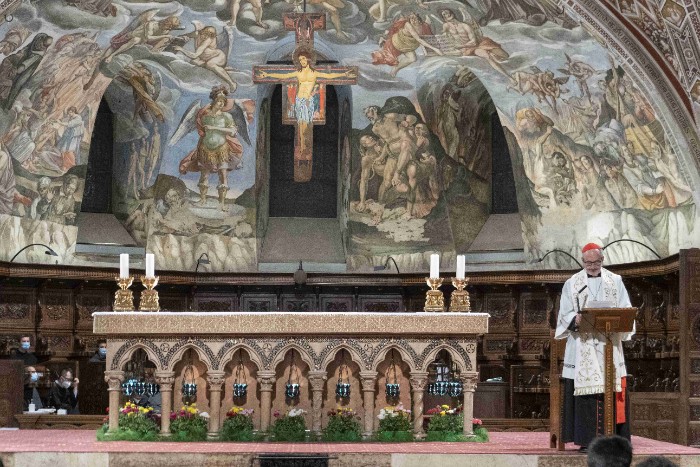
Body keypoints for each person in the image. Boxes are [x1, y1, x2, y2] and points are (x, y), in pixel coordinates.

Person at [555, 243, 634, 452]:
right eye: (588, 263)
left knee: (611, 388)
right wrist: (576, 319)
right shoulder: (572, 283)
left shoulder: (615, 281)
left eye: (596, 262)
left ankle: (614, 440)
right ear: (582, 261)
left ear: (602, 260)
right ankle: (587, 440)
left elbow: (627, 308)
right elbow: (564, 313)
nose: (591, 266)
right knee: (586, 396)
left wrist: (620, 316)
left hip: (609, 344)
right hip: (583, 345)